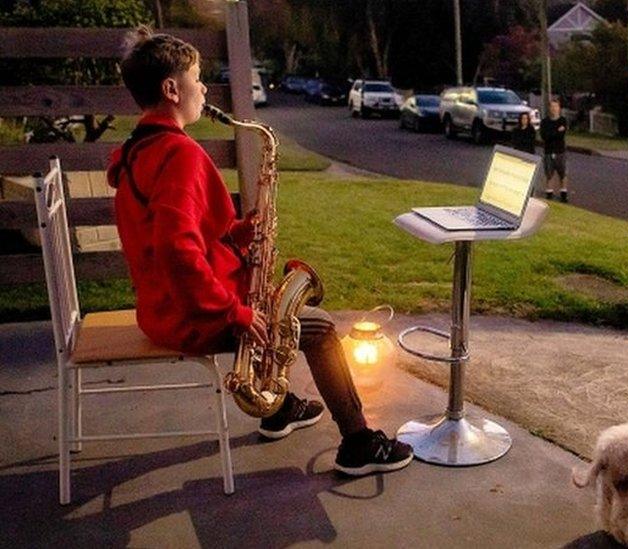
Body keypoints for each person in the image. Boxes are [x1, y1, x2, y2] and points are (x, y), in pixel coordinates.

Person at [107, 26, 412, 476]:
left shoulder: (136, 152)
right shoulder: (180, 155)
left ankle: (279, 409)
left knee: (279, 307)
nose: (205, 88)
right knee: (320, 328)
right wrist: (237, 313)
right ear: (172, 89)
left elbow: (170, 234)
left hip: (160, 307)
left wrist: (233, 233)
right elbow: (175, 251)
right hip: (191, 315)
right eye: (197, 77)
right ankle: (359, 444)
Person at [540, 98, 569, 202]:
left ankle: (564, 193)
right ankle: (549, 193)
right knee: (549, 173)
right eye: (552, 107)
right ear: (549, 108)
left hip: (560, 151)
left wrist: (552, 133)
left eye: (556, 107)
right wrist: (556, 131)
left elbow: (561, 135)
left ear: (559, 108)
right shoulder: (544, 122)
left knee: (563, 173)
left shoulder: (563, 121)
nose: (554, 109)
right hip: (548, 151)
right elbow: (544, 136)